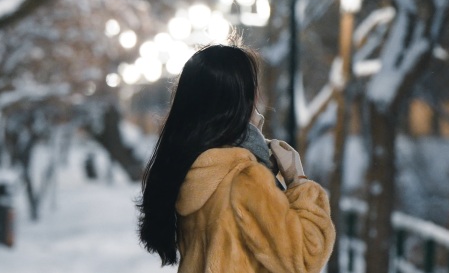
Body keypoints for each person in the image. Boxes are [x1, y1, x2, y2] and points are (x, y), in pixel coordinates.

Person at [137, 43, 335, 273]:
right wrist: (298, 179)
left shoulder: (190, 168)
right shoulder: (244, 179)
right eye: (253, 91)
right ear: (241, 100)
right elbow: (305, 256)